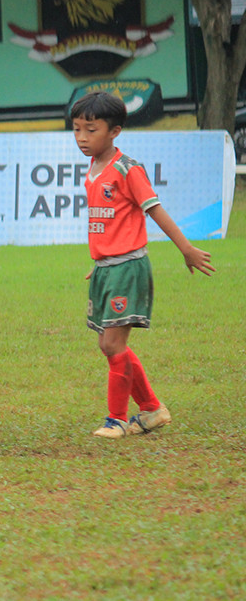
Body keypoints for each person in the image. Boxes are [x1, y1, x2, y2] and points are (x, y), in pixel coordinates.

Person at [70, 91, 214, 439]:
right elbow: (109, 224)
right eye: (76, 130)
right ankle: (151, 410)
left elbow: (155, 210)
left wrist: (186, 249)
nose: (82, 138)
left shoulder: (127, 169)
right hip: (107, 267)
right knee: (108, 345)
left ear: (115, 131)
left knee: (113, 345)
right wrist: (100, 261)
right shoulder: (92, 170)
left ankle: (116, 420)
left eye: (91, 130)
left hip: (129, 268)